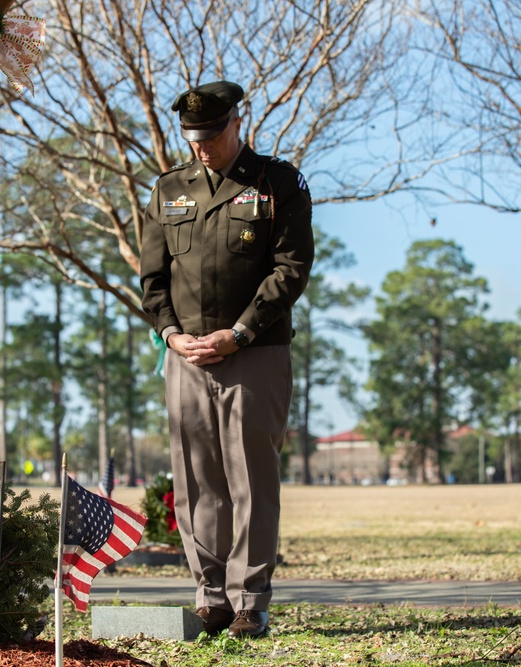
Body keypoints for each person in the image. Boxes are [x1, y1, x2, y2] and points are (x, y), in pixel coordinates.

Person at [140, 81, 315, 638]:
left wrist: (238, 333)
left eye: (211, 136)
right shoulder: (168, 190)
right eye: (193, 138)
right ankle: (211, 596)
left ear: (237, 123)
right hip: (187, 358)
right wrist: (170, 335)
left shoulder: (277, 183)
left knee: (250, 479)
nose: (202, 147)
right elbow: (152, 279)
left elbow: (290, 269)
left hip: (254, 352)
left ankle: (251, 600)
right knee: (197, 481)